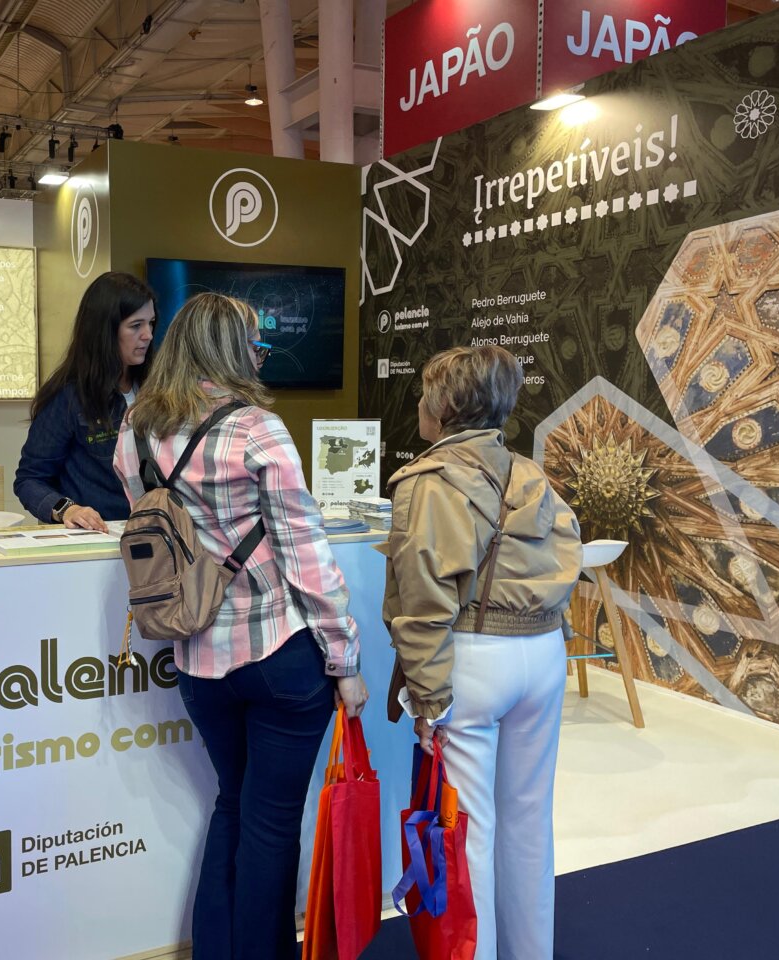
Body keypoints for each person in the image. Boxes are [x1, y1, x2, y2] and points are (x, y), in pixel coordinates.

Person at [114, 292, 367, 960]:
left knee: (233, 802)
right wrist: (344, 658)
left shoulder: (136, 428)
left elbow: (155, 526)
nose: (262, 356)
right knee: (271, 825)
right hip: (279, 653)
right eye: (256, 344)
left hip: (196, 658)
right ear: (231, 348)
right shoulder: (257, 429)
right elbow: (306, 555)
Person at [380, 345, 582, 960]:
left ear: (443, 405)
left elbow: (423, 599)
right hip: (542, 655)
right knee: (528, 822)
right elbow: (564, 562)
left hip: (475, 659)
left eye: (424, 394)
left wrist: (427, 698)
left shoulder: (429, 482)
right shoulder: (530, 475)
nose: (418, 404)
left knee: (465, 833)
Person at [15, 271, 156, 530]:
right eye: (136, 326)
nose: (148, 335)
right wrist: (68, 509)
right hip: (99, 538)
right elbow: (29, 480)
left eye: (151, 323)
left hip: (156, 534)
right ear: (105, 330)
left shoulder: (159, 388)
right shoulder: (68, 396)